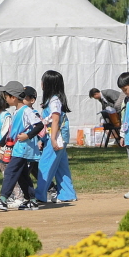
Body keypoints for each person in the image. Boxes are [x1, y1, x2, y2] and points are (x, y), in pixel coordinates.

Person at [0, 87, 43, 210]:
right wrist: (1, 144)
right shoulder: (17, 112)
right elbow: (11, 131)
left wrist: (27, 135)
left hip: (24, 148)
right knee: (22, 174)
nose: (5, 99)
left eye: (6, 97)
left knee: (10, 171)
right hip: (18, 148)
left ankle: (3, 199)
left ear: (13, 97)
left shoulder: (26, 111)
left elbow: (39, 125)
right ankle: (32, 200)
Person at [34, 70, 76, 204]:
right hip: (58, 137)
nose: (41, 83)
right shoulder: (54, 100)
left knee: (45, 164)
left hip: (56, 137)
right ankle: (67, 193)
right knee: (61, 167)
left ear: (47, 84)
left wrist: (52, 139)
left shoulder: (54, 101)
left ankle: (40, 194)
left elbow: (55, 120)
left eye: (43, 81)